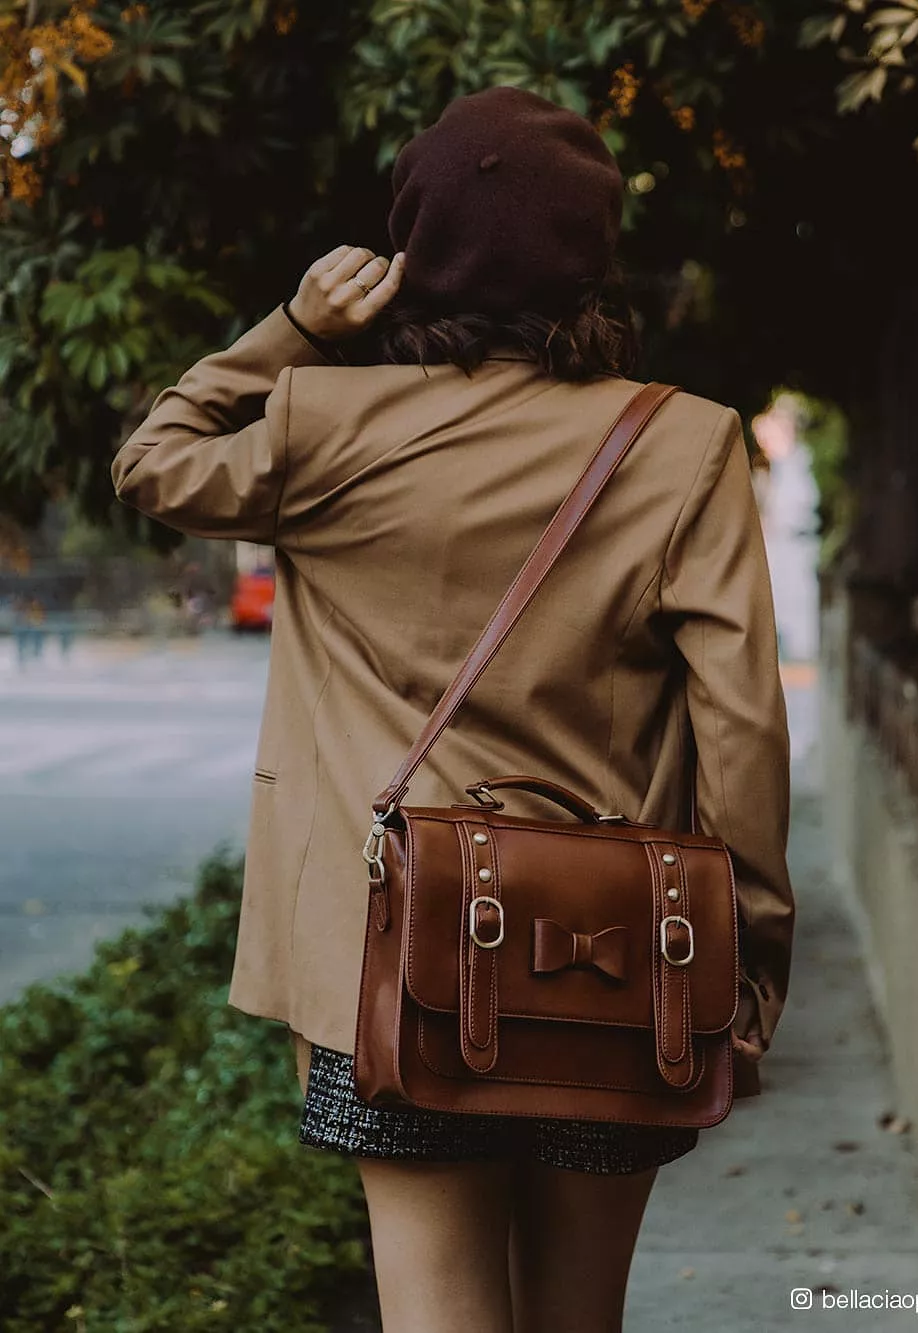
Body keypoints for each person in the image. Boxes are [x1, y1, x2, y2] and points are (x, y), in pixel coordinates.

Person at [111, 87, 794, 1333]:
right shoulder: (684, 446)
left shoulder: (321, 425)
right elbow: (742, 731)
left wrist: (292, 328)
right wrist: (741, 980)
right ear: (596, 260)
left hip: (387, 958)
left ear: (410, 252)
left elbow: (155, 458)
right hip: (615, 962)